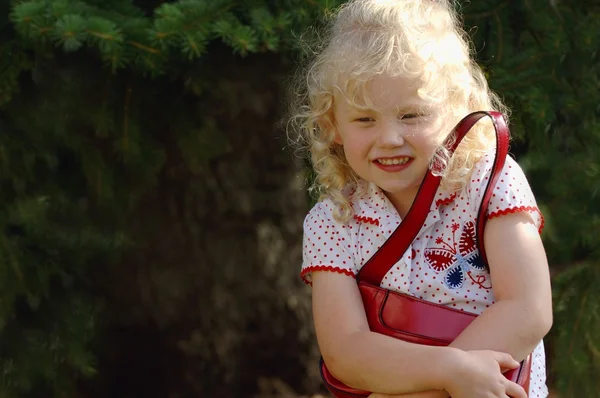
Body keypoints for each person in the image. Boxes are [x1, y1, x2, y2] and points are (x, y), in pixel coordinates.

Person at [287, 0, 553, 397]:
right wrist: (448, 372)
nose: (390, 138)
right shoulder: (332, 221)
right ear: (333, 125)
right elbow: (345, 350)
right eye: (364, 119)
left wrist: (438, 385)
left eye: (411, 115)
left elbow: (527, 309)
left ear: (455, 109)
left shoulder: (489, 182)